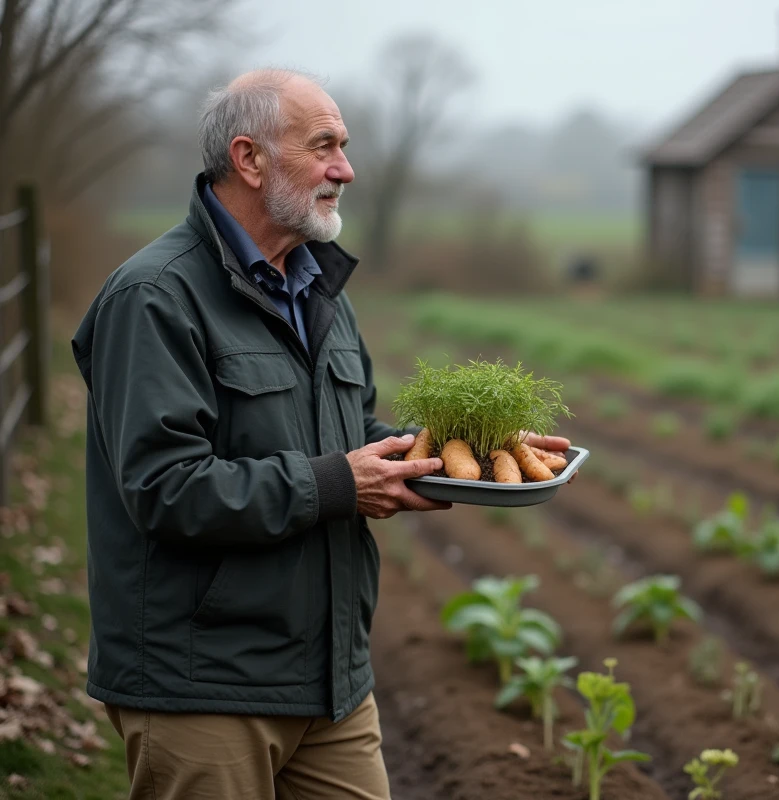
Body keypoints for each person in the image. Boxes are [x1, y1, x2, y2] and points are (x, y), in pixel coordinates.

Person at [70, 68, 571, 799]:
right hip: (202, 683)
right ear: (250, 159)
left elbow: (349, 431)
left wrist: (459, 451)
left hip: (331, 680)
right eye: (324, 146)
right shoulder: (155, 297)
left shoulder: (319, 290)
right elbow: (165, 489)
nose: (347, 168)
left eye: (345, 145)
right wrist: (339, 484)